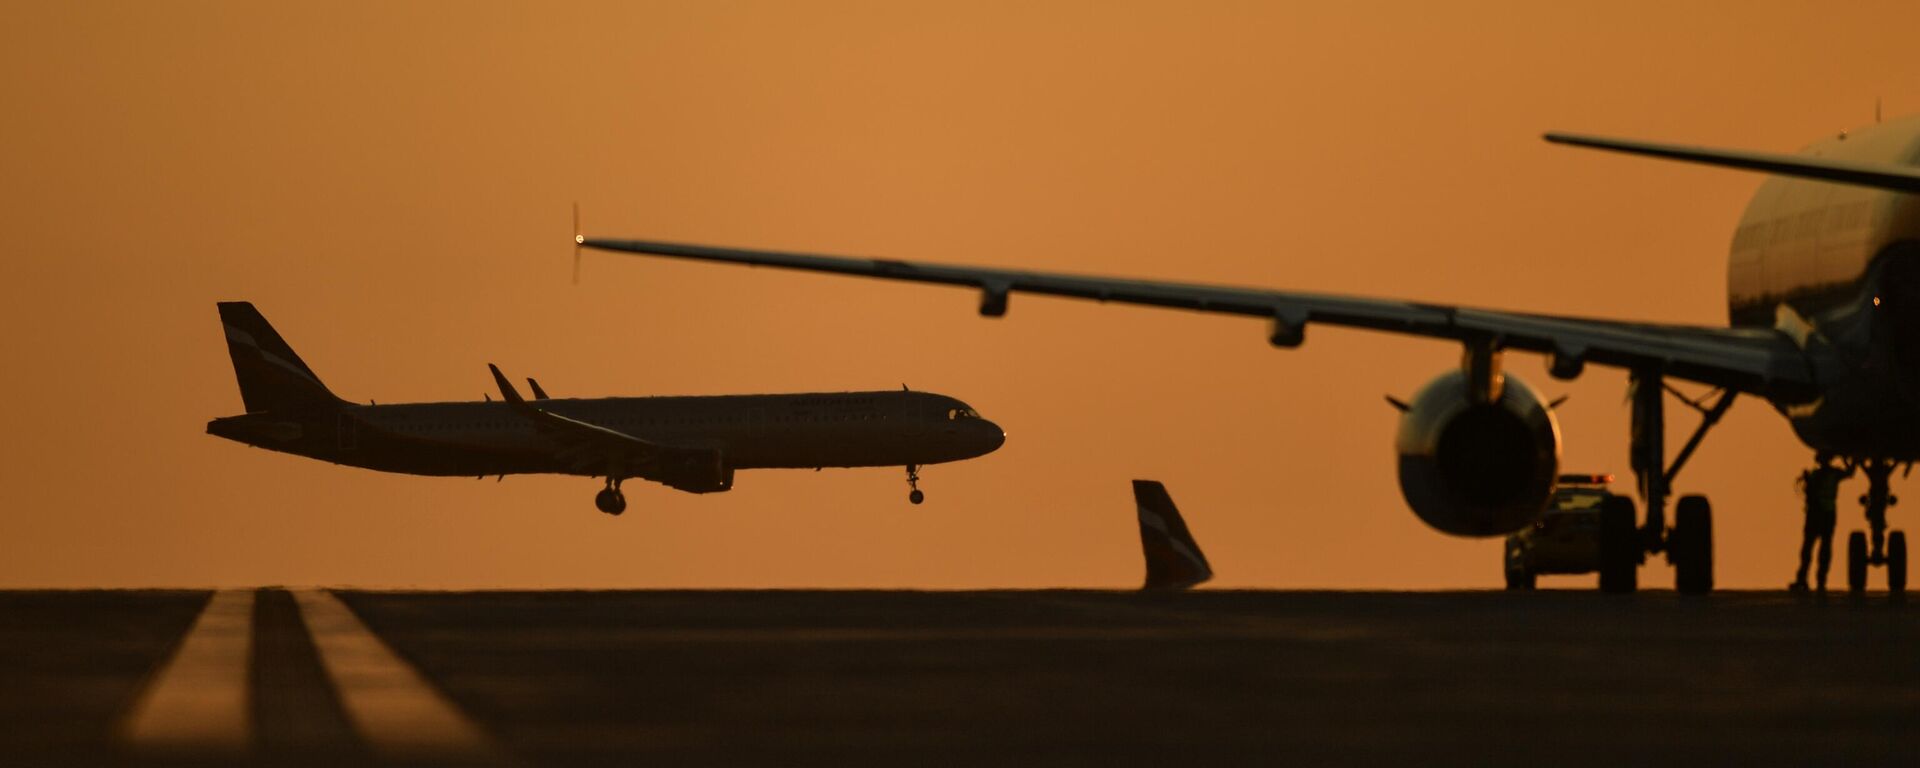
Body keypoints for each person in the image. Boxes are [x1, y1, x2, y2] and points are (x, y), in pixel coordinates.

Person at [1792, 452, 1854, 592]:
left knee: (1808, 549)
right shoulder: (1834, 473)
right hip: (1828, 514)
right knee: (1824, 549)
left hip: (1816, 514)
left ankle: (1803, 579)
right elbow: (1850, 473)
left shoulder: (1816, 474)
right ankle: (1820, 581)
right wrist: (1849, 461)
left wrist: (1808, 480)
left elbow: (1810, 493)